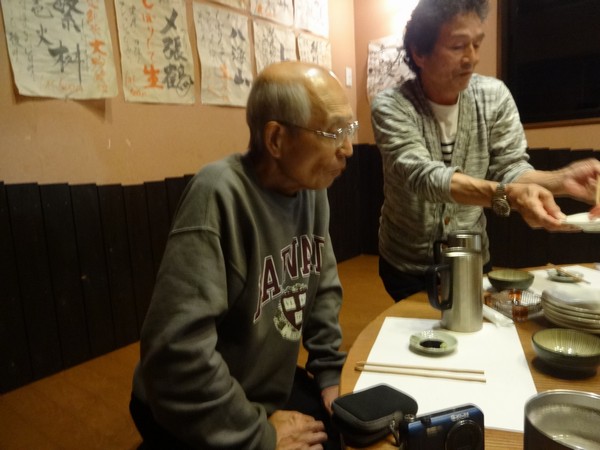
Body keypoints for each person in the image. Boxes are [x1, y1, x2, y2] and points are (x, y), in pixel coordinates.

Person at [129, 61, 357, 449]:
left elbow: (321, 288)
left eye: (349, 130)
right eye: (333, 132)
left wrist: (330, 372)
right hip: (188, 406)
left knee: (350, 432)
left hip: (260, 389)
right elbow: (176, 356)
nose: (348, 148)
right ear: (276, 139)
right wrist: (259, 434)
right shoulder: (218, 195)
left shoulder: (312, 190)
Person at [371, 0, 600, 302]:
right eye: (458, 46)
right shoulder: (391, 105)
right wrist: (506, 195)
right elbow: (422, 176)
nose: (472, 58)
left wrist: (563, 180)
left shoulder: (494, 96)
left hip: (472, 258)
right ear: (419, 52)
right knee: (417, 329)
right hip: (407, 263)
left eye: (477, 44)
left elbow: (511, 168)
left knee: (474, 326)